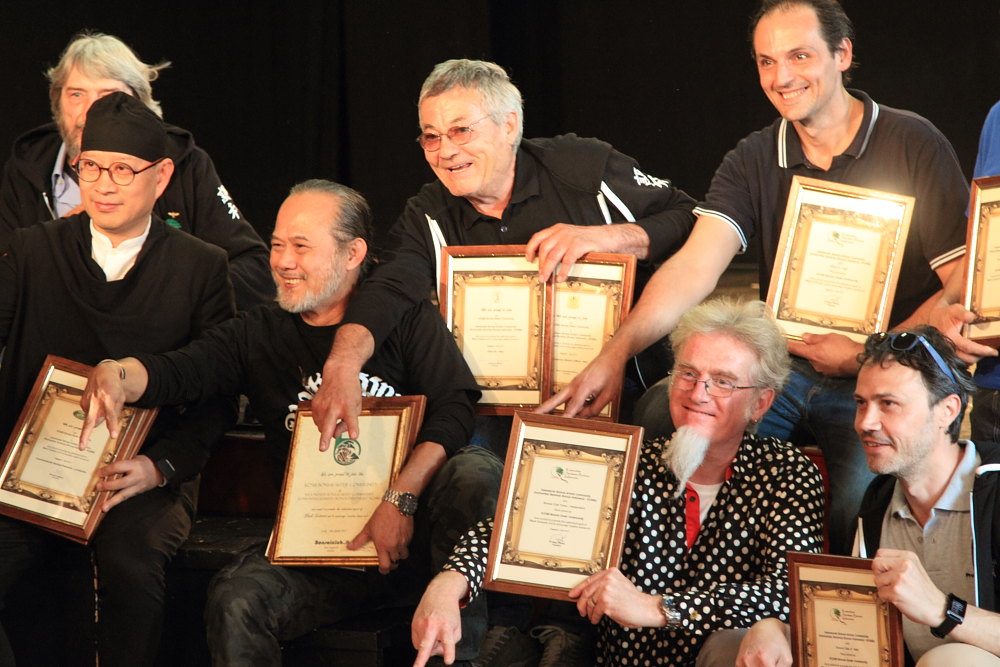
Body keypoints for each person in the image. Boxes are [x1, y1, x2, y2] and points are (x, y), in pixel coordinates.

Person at [547, 0, 969, 556]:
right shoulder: (753, 156)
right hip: (783, 368)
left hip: (880, 373)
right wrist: (615, 353)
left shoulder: (912, 141)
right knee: (662, 413)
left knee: (854, 505)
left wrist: (866, 352)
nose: (782, 76)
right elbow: (694, 267)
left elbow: (960, 282)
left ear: (843, 55)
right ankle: (682, 588)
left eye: (800, 56)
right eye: (767, 62)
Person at [79, 179, 504, 666]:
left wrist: (400, 500)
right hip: (322, 553)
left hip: (414, 546)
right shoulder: (258, 332)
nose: (281, 261)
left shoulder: (404, 318)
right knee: (236, 598)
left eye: (301, 247)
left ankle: (461, 657)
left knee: (474, 470)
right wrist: (117, 374)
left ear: (353, 253)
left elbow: (455, 410)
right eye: (277, 245)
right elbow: (181, 370)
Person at [410, 298, 825, 667]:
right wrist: (449, 581)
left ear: (760, 403)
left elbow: (787, 593)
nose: (698, 393)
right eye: (688, 373)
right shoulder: (627, 460)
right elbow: (516, 528)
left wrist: (658, 608)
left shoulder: (787, 473)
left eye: (723, 381)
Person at [308, 58, 697, 450]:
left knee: (669, 416)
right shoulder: (427, 213)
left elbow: (689, 217)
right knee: (463, 453)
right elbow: (387, 291)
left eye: (461, 130)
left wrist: (607, 238)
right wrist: (342, 366)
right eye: (431, 136)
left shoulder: (583, 168)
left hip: (624, 390)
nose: (446, 151)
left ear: (509, 126)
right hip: (497, 414)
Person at [0, 92, 235, 666]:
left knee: (130, 561)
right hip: (34, 476)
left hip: (141, 480)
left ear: (162, 177)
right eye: (91, 167)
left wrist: (161, 467)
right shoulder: (32, 252)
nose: (103, 185)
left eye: (123, 170)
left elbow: (220, 394)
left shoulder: (200, 266)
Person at [736, 326, 1000, 666]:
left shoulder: (994, 487)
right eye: (861, 404)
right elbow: (852, 639)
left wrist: (942, 609)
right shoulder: (877, 503)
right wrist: (776, 628)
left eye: (888, 404)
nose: (865, 423)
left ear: (947, 410)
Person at [0, 31, 272, 310]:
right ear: (57, 101)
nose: (90, 113)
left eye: (109, 95)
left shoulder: (184, 164)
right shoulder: (27, 168)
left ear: (138, 105)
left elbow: (256, 268)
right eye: (76, 94)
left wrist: (176, 296)